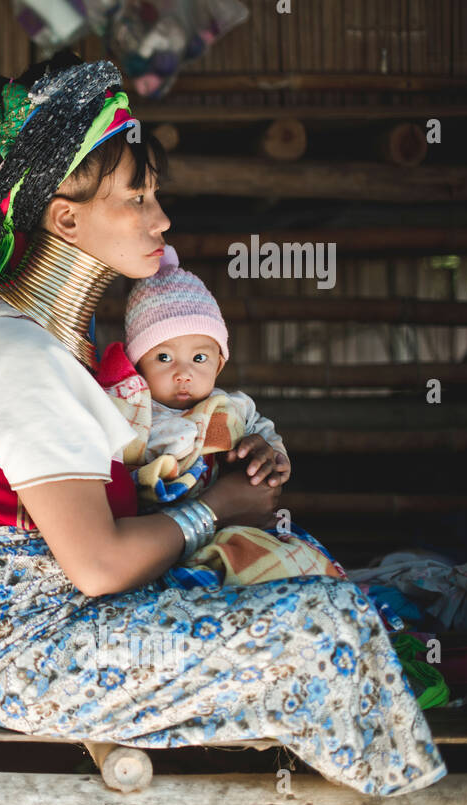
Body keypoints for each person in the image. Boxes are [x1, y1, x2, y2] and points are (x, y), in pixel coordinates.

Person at [0, 52, 444, 797]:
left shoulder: (51, 340)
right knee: (326, 625)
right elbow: (96, 566)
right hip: (33, 661)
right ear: (65, 217)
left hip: (82, 627)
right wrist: (216, 505)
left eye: (155, 194)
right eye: (138, 197)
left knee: (329, 591)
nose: (161, 219)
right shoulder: (14, 354)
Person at [98, 247, 345, 586]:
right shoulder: (128, 410)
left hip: (230, 528)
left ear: (220, 363)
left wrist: (270, 456)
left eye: (199, 358)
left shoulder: (232, 407)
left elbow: (264, 434)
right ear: (138, 365)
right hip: (156, 536)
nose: (183, 373)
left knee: (297, 565)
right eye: (164, 357)